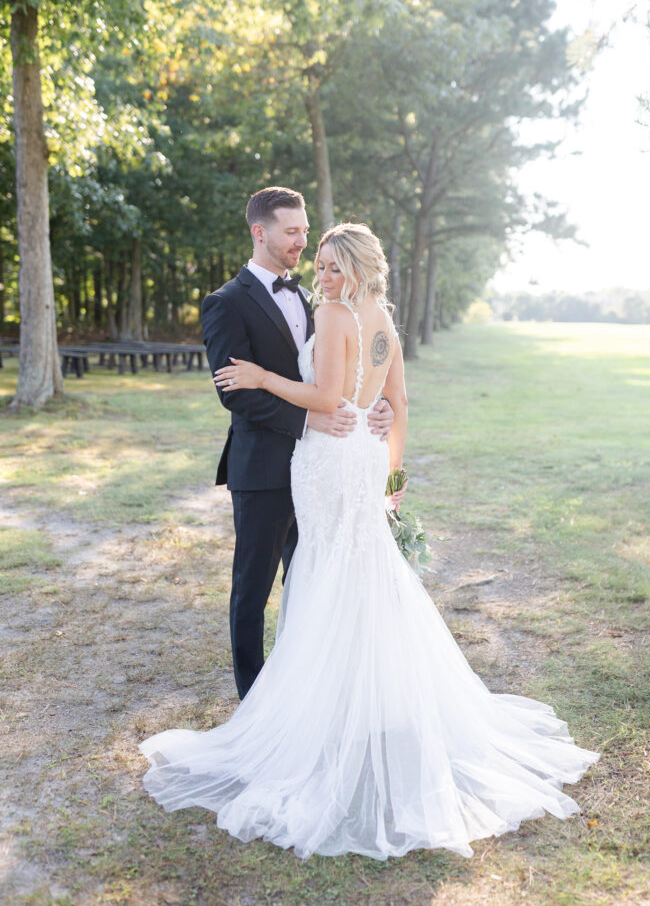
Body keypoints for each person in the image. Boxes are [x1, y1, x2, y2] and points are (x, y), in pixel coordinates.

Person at [140, 223, 599, 861]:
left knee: (326, 574)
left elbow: (327, 398)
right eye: (318, 265)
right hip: (360, 460)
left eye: (331, 266)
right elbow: (398, 400)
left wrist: (262, 378)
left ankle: (323, 714)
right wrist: (392, 476)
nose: (321, 277)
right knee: (359, 576)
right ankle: (367, 706)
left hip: (327, 461)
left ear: (355, 268)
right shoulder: (381, 314)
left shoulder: (333, 314)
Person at [199, 187, 394, 700]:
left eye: (306, 232)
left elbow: (345, 371)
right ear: (260, 232)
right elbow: (234, 395)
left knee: (315, 583)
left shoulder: (320, 298)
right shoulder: (224, 303)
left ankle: (309, 696)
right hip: (264, 469)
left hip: (326, 468)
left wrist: (377, 405)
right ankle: (255, 701)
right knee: (252, 591)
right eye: (292, 232)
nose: (302, 243)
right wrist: (310, 420)